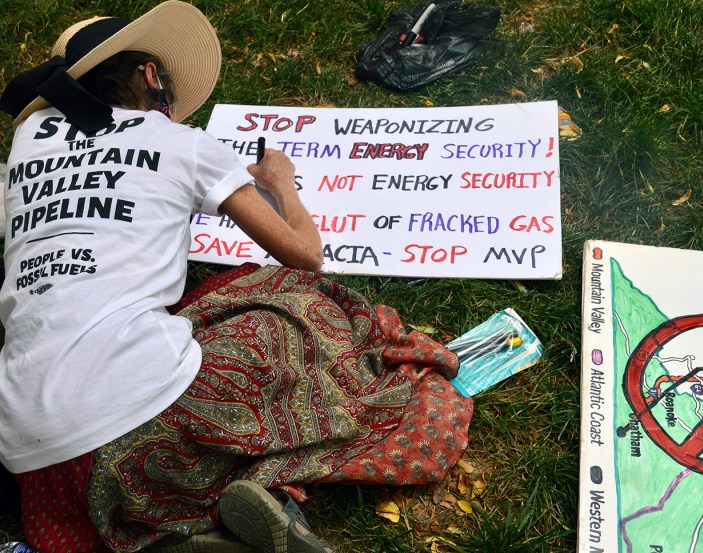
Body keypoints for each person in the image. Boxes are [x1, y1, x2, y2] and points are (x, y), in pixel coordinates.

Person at [0, 2, 474, 553]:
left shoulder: (29, 139)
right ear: (151, 75)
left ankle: (180, 534)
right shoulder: (181, 142)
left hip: (32, 459)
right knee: (290, 301)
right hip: (144, 419)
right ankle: (218, 507)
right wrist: (281, 182)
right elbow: (304, 255)